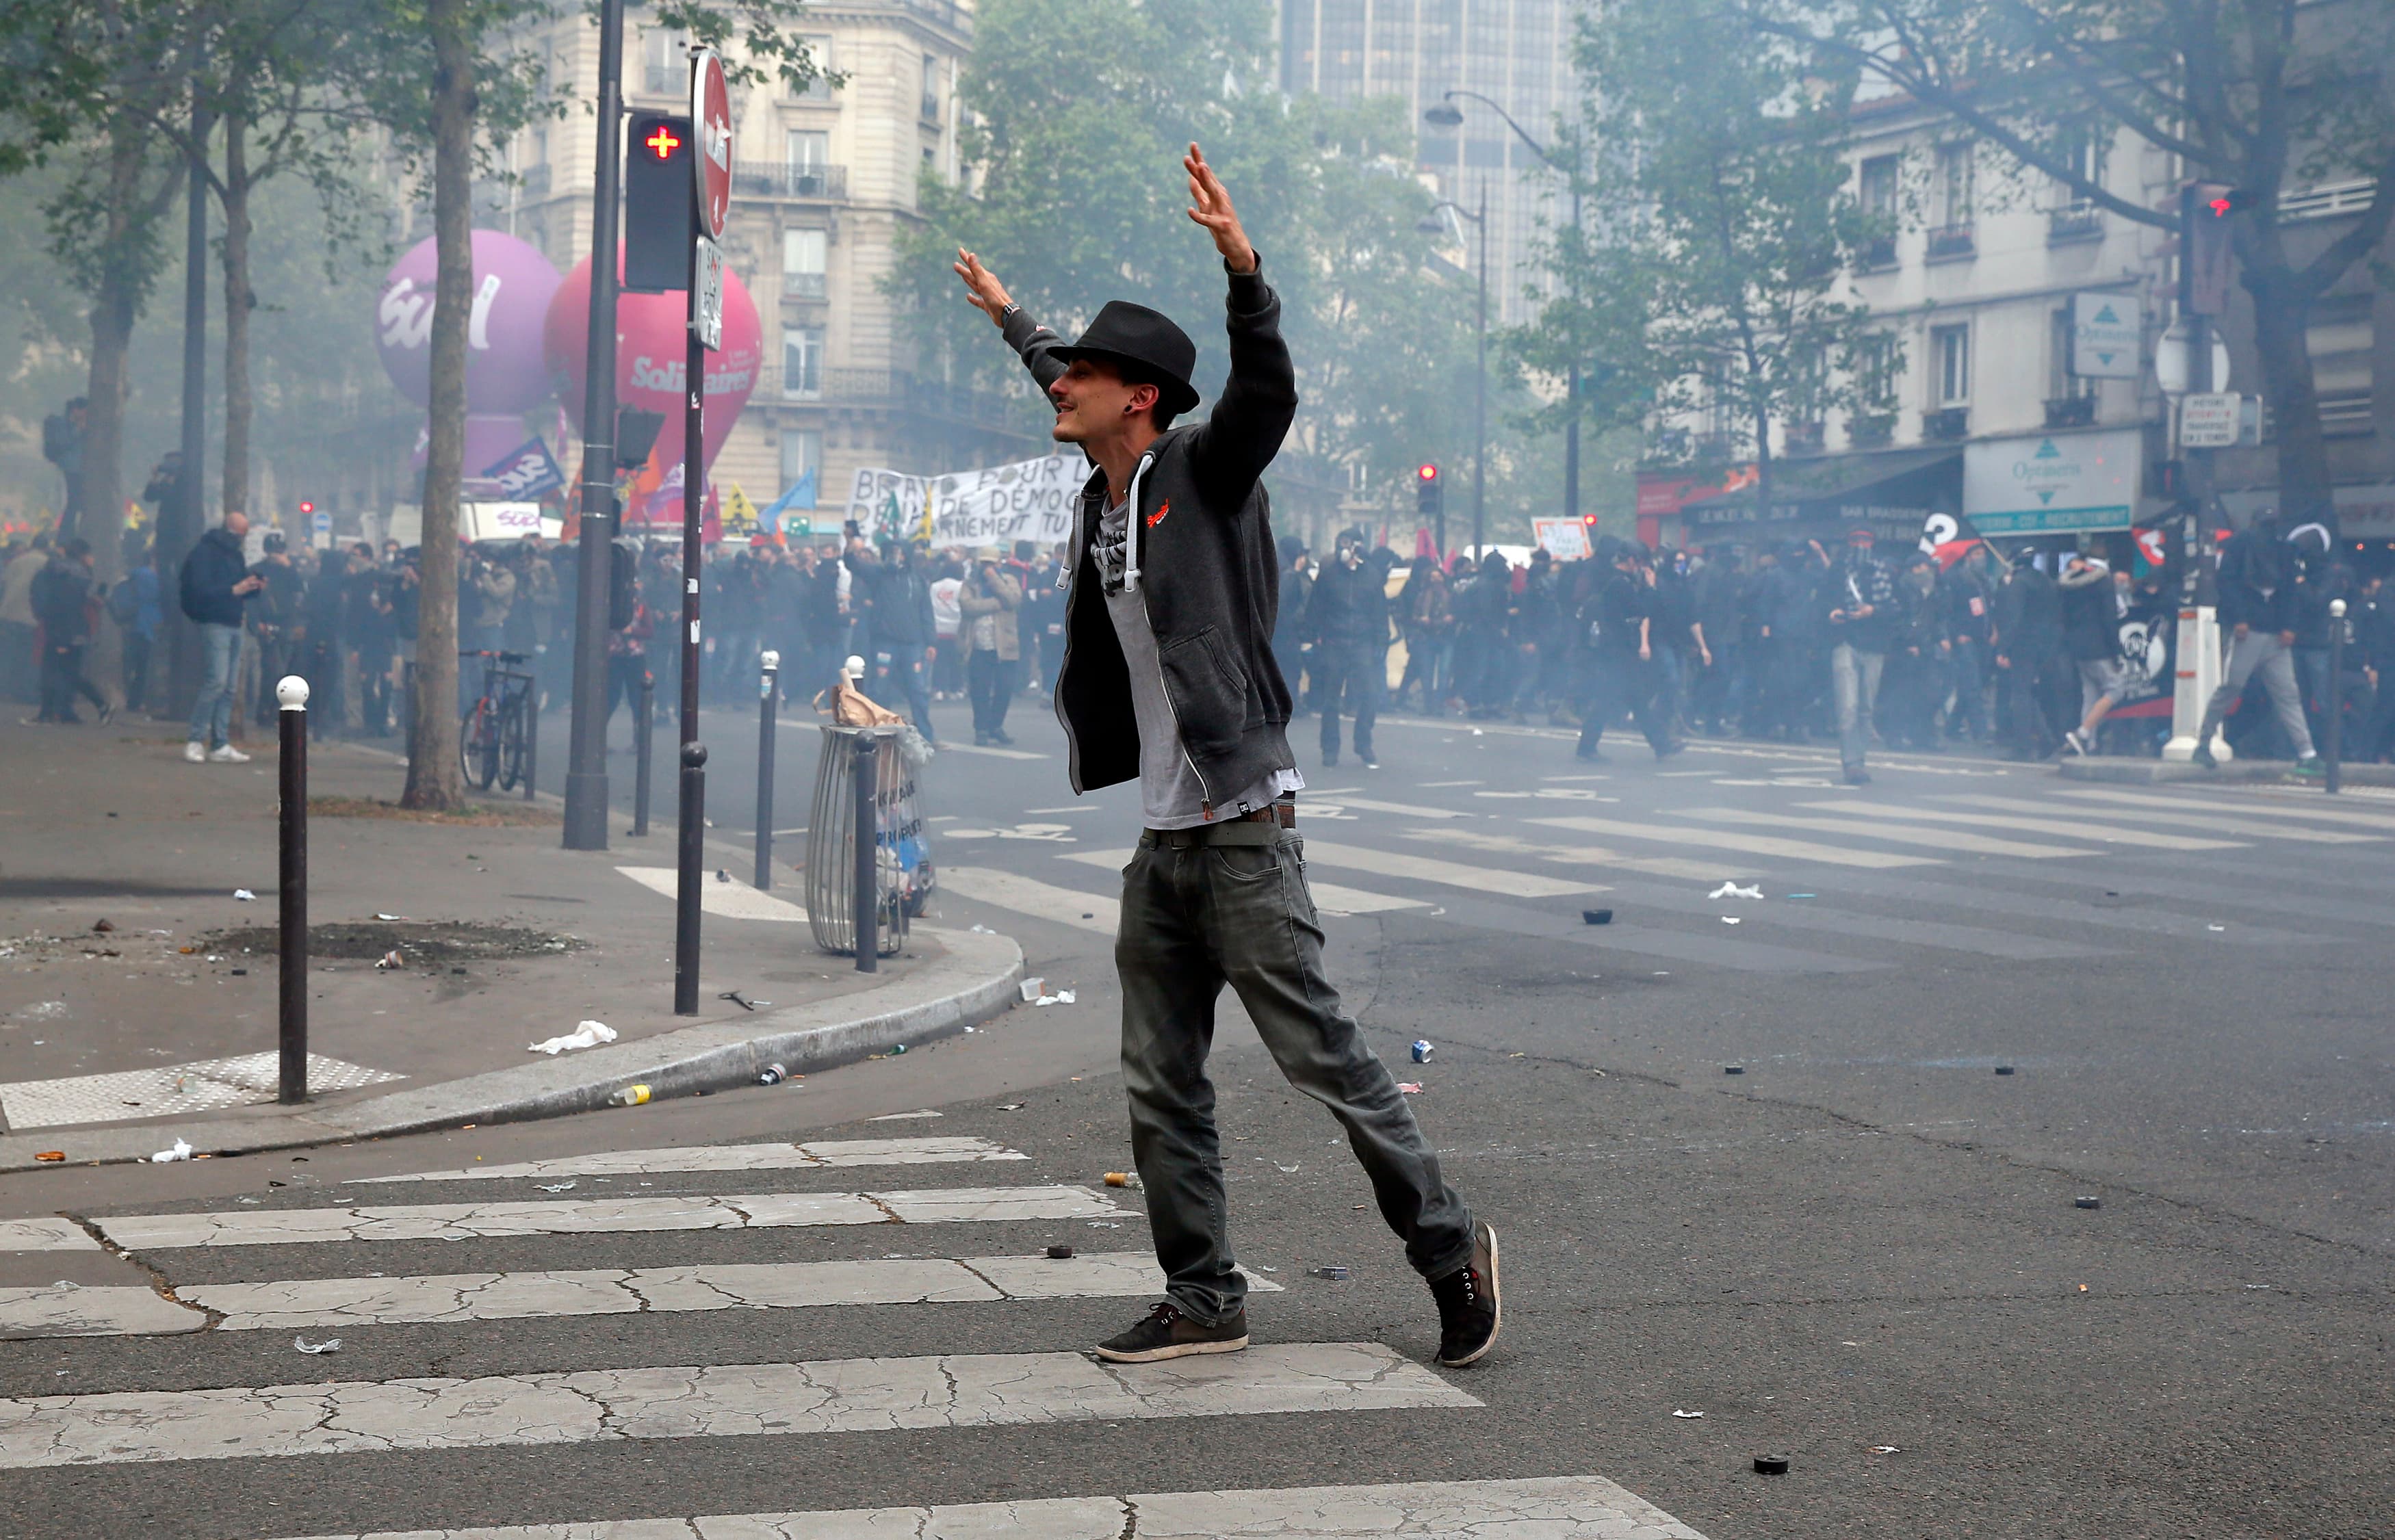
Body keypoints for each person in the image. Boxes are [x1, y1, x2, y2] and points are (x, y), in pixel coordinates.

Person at [950, 142, 1498, 1370]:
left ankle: (1451, 1244)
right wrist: (1013, 320)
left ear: (1138, 394)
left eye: (1080, 374)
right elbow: (1053, 364)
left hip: (1244, 830)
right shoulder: (1103, 488)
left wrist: (1246, 274)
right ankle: (1204, 1297)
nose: (1059, 387)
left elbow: (1264, 391)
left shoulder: (1206, 470)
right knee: (1159, 1087)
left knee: (1327, 1064)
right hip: (1164, 846)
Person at [2191, 517, 2319, 770]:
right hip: (2258, 631)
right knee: (2237, 687)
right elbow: (2289, 592)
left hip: (2262, 631)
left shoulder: (2243, 547)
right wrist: (2284, 626)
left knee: (2283, 692)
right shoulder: (2281, 549)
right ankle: (2203, 744)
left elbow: (2230, 583)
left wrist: (2284, 625)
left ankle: (2307, 751)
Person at [1575, 538, 1675, 761]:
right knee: (1607, 701)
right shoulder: (1620, 584)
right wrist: (1650, 589)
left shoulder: (1615, 580)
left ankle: (1662, 744)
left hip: (1617, 649)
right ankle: (1586, 747)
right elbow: (1641, 610)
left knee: (1636, 699)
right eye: (1640, 562)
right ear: (1631, 560)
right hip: (1616, 651)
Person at [181, 510, 266, 761]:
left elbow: (237, 588)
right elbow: (201, 589)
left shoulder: (233, 555)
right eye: (241, 534)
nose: (242, 539)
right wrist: (234, 589)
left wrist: (251, 588)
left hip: (233, 620)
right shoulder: (205, 554)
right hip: (214, 621)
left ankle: (220, 743)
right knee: (216, 682)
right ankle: (196, 739)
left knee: (228, 687)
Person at [1305, 526, 1388, 768]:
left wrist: (1381, 641)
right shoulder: (1329, 574)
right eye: (1343, 543)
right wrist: (1311, 637)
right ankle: (1330, 748)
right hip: (1334, 642)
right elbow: (1316, 607)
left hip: (1362, 643)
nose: (1347, 549)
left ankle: (1363, 743)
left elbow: (1379, 611)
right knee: (1332, 699)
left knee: (1370, 695)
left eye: (1351, 544)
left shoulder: (1372, 576)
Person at [1826, 524, 1896, 785]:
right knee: (1848, 706)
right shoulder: (1837, 570)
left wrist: (1872, 611)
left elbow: (1894, 609)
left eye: (1865, 541)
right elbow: (1823, 601)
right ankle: (1851, 764)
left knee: (1866, 707)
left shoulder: (1884, 572)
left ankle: (1860, 758)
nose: (1860, 546)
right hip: (1845, 641)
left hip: (1874, 645)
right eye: (1855, 540)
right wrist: (1831, 613)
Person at [31, 537, 109, 723]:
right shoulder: (79, 575)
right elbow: (77, 606)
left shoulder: (59, 574)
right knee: (67, 673)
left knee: (56, 671)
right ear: (83, 554)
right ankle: (95, 706)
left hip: (59, 628)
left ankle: (49, 712)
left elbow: (54, 605)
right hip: (71, 630)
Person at [2058, 553, 2129, 756]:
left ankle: (2089, 744)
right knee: (2116, 689)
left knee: (2090, 694)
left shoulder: (2070, 586)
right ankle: (2083, 733)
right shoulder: (2103, 583)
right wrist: (2116, 652)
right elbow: (2109, 618)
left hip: (2078, 648)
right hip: (2100, 646)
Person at [958, 545, 1024, 744]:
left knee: (1005, 688)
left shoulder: (1009, 580)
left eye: (991, 564)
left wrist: (994, 580)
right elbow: (968, 606)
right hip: (978, 646)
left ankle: (996, 725)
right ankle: (982, 729)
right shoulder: (970, 584)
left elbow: (1013, 600)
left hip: (1004, 646)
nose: (987, 568)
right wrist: (996, 604)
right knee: (980, 690)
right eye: (984, 564)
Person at [107, 540, 164, 714]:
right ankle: (137, 702)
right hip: (147, 626)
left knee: (132, 665)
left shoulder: (133, 575)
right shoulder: (151, 578)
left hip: (131, 624)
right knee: (144, 667)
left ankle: (132, 699)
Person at [1, 533, 53, 704]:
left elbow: (5, 584)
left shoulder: (17, 561)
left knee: (8, 655)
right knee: (29, 657)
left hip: (8, 613)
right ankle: (26, 693)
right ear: (46, 547)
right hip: (30, 617)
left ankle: (5, 689)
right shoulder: (47, 563)